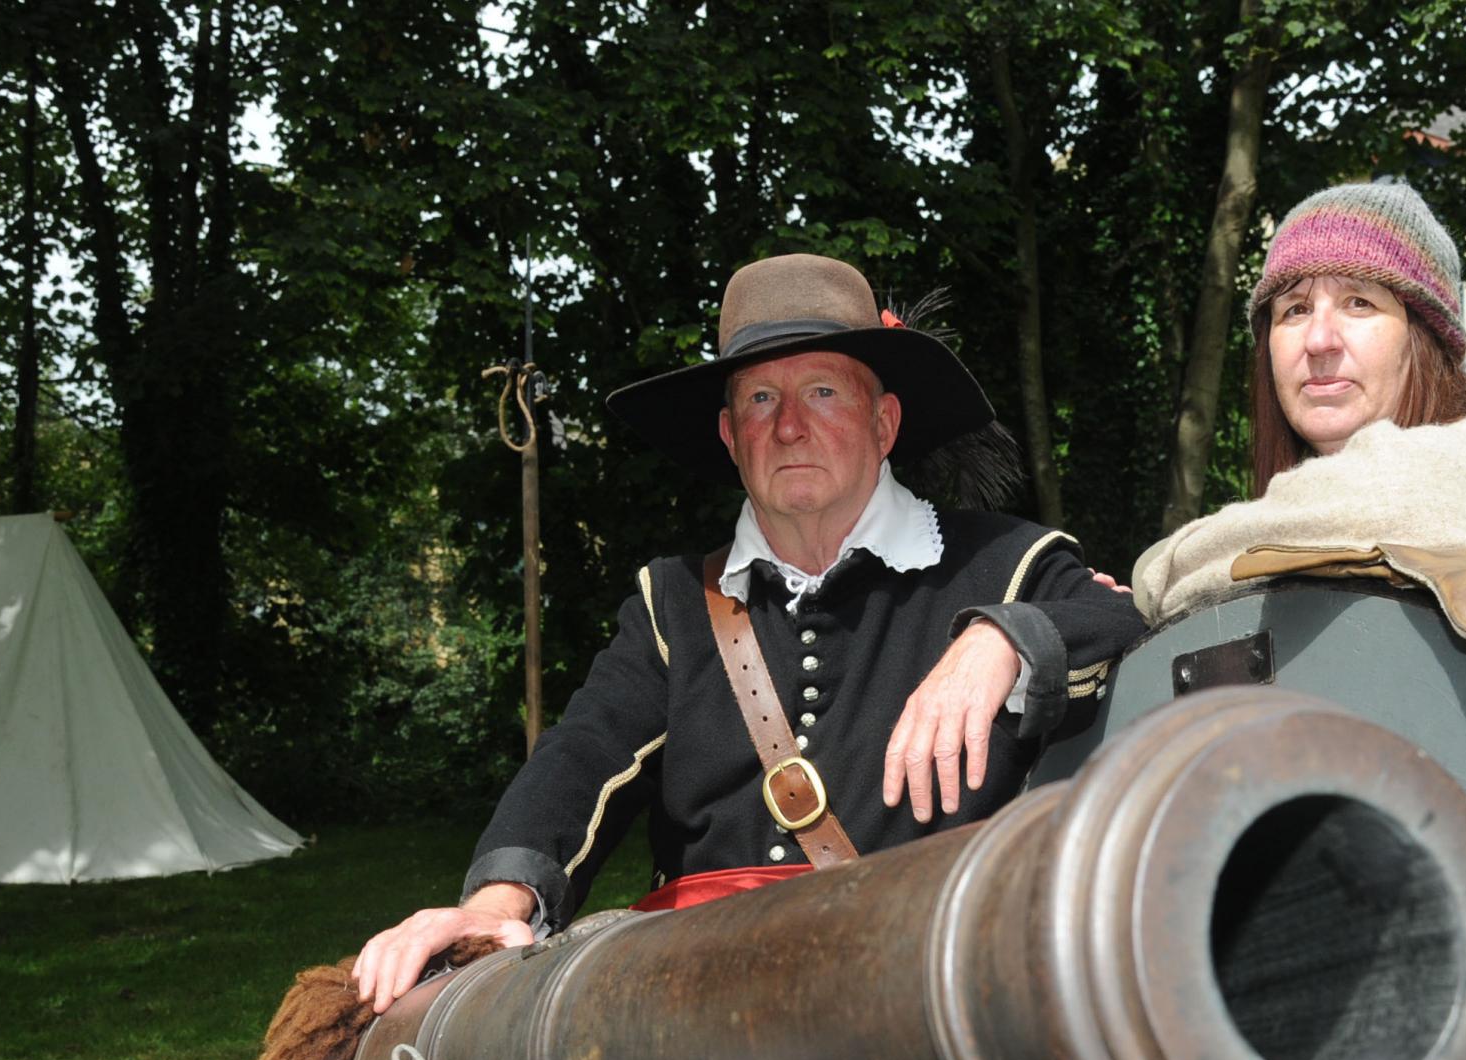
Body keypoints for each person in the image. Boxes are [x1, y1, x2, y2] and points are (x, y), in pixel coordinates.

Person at [352, 253, 1145, 1010]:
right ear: (731, 437)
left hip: (925, 1010)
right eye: (761, 400)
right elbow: (583, 751)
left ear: (886, 421)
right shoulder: (672, 602)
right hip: (703, 1012)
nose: (790, 426)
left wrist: (1001, 640)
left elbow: (1127, 620)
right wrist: (497, 903)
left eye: (825, 392)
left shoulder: (1005, 563)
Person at [1131, 180, 1466, 654]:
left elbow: (1406, 498)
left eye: (1359, 302)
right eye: (1294, 310)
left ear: (1424, 338)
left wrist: (1157, 572)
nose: (1318, 340)